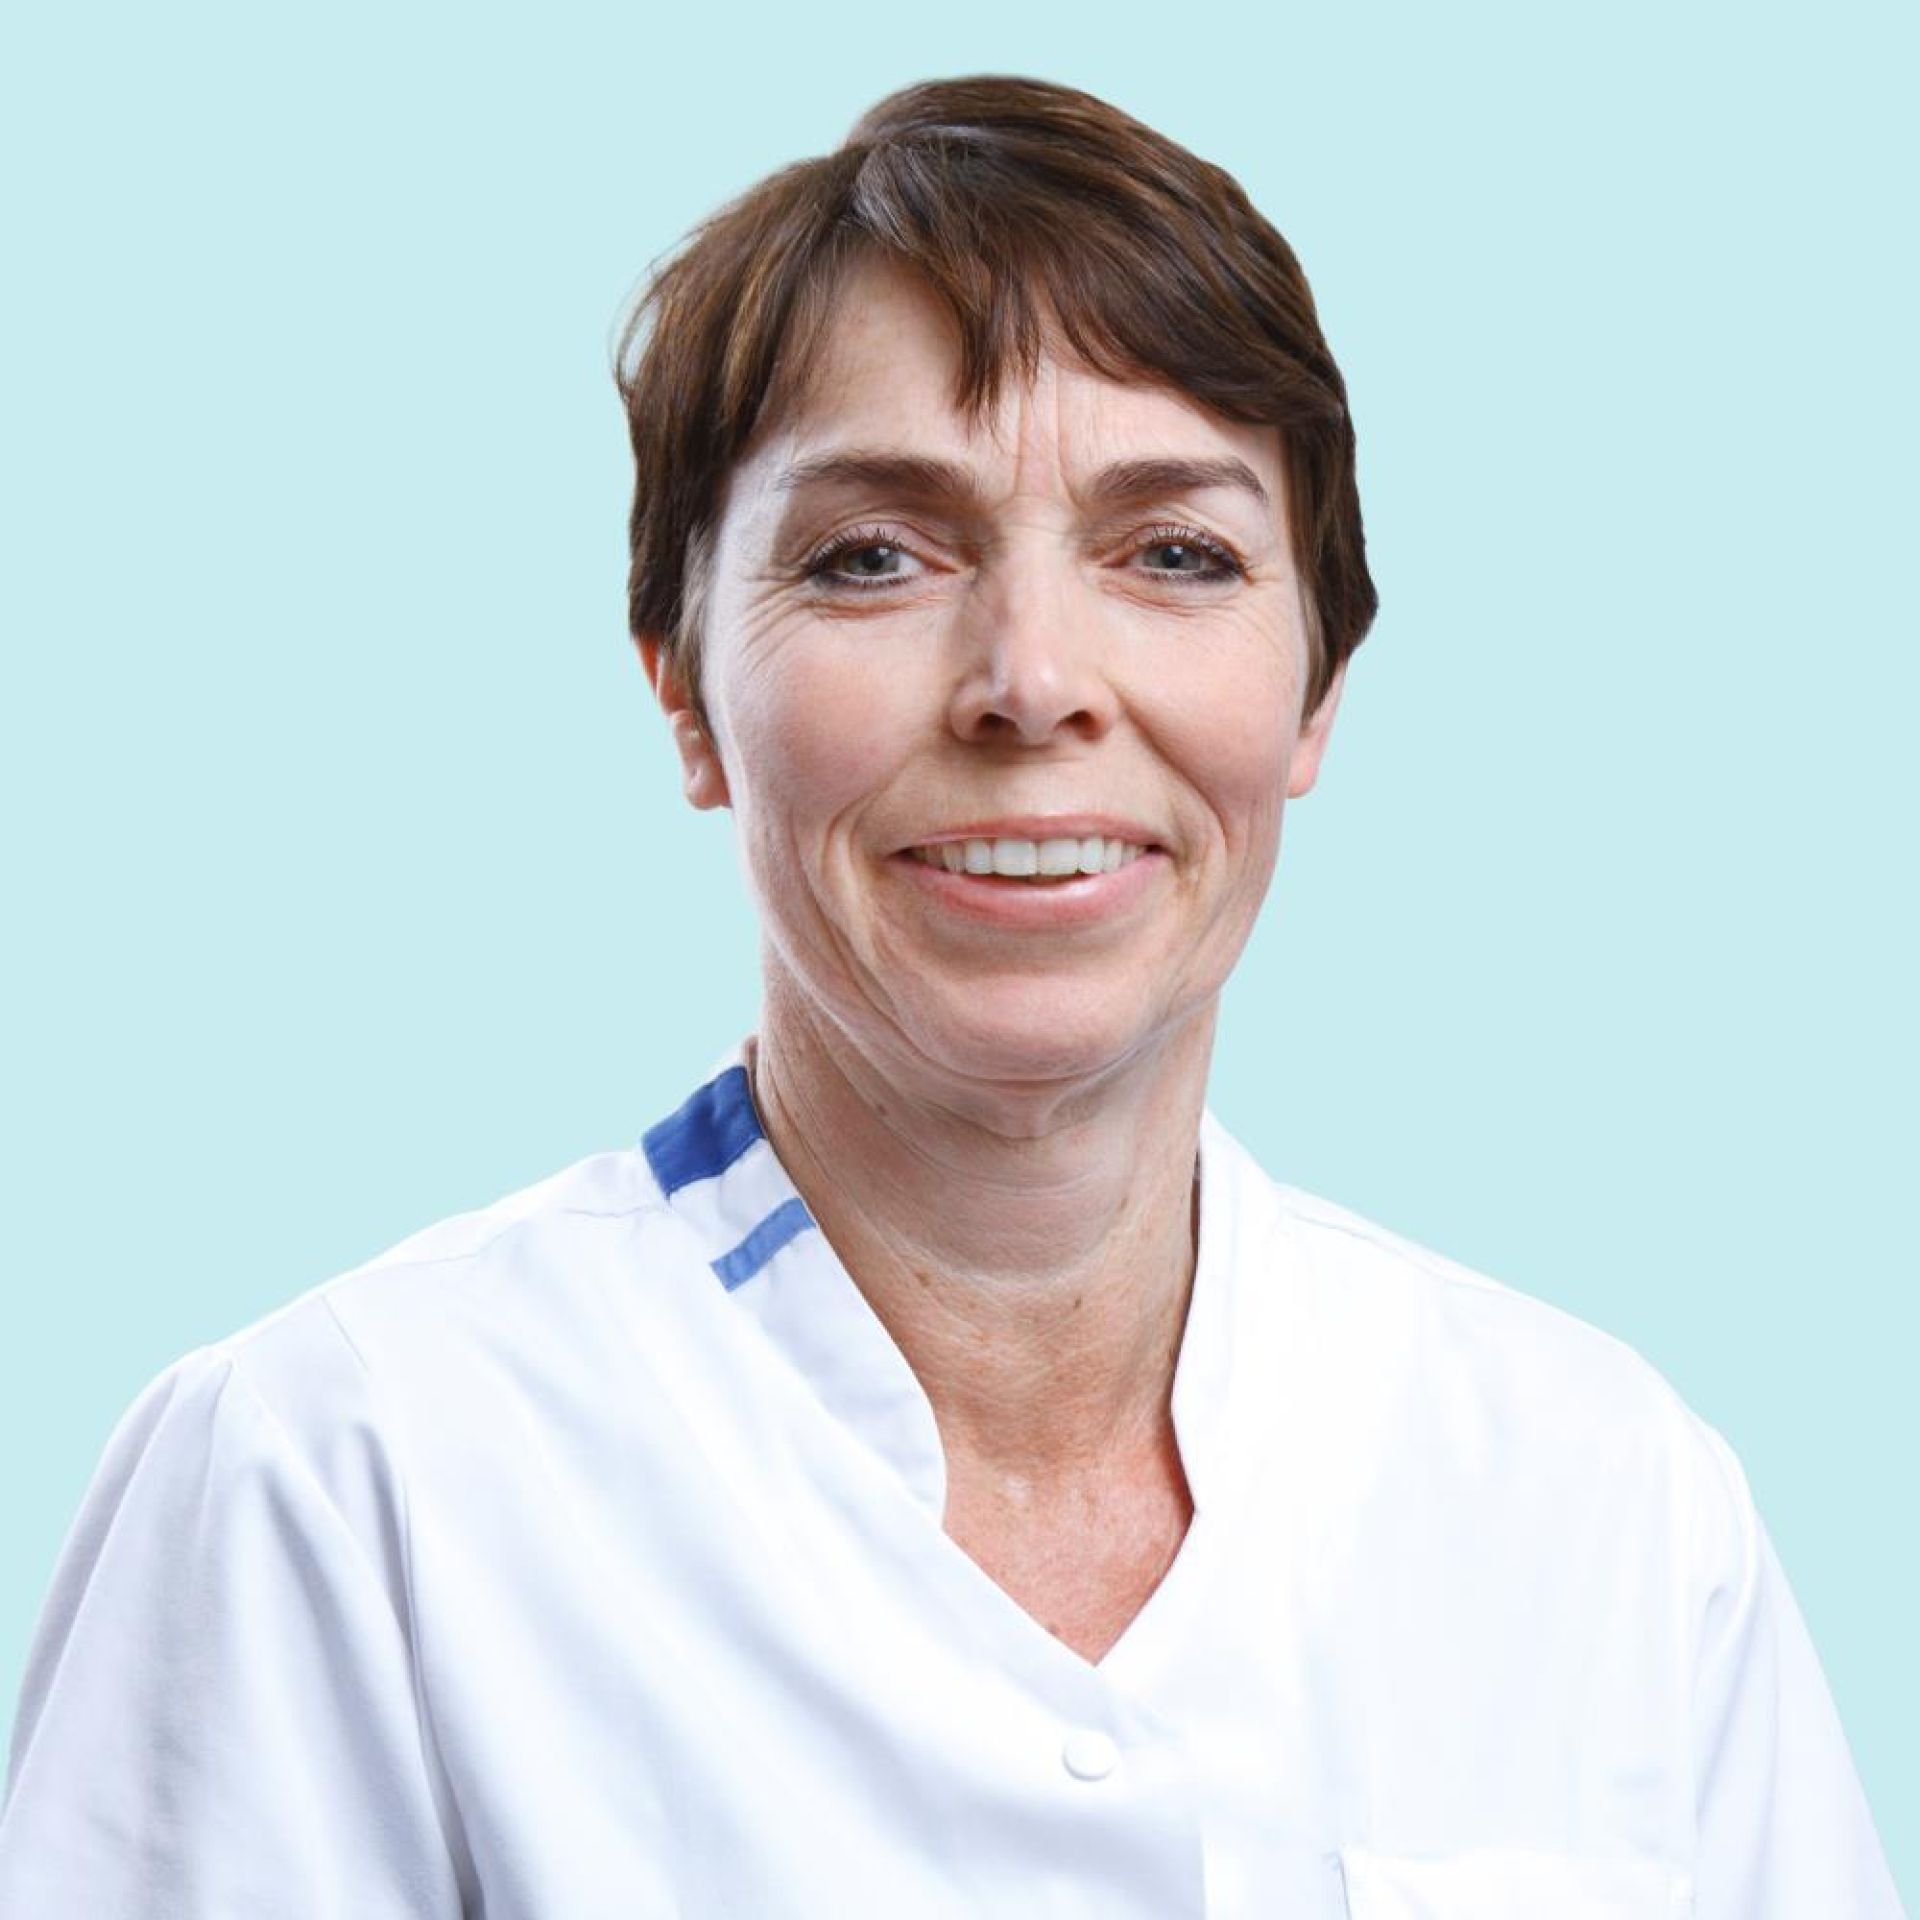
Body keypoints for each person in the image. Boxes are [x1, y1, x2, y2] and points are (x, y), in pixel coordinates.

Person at [0, 73, 1902, 1920]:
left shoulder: (1610, 1502)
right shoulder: (346, 1474)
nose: (1033, 681)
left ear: (1316, 693)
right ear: (684, 689)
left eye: (1176, 552)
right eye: (873, 558)